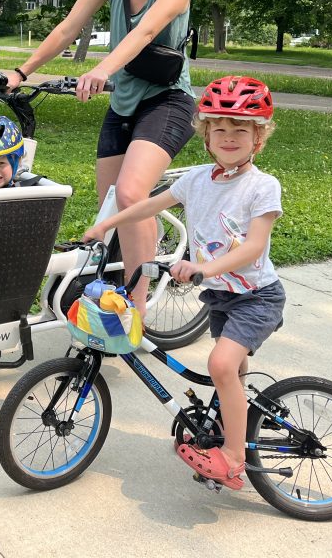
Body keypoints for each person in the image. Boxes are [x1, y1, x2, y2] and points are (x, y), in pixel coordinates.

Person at [1, 0, 197, 315]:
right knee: (111, 207)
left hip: (168, 101)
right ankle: (127, 265)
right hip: (125, 102)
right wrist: (21, 72)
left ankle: (137, 312)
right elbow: (69, 27)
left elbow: (147, 31)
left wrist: (101, 69)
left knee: (129, 196)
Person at [83, 75, 283, 492]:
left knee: (220, 365)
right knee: (232, 374)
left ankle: (232, 457)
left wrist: (203, 269)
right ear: (206, 134)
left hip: (256, 297)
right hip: (220, 297)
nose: (229, 137)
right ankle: (226, 427)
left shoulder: (262, 187)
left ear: (258, 138)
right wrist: (106, 225)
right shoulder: (195, 180)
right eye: (220, 129)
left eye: (240, 130)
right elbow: (148, 205)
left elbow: (253, 248)